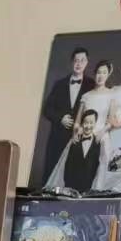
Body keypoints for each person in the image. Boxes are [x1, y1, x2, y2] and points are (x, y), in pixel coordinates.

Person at [37, 45, 90, 187]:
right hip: (57, 137)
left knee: (74, 175)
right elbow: (47, 109)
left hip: (79, 137)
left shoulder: (91, 84)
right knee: (51, 172)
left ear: (86, 63)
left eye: (82, 60)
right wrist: (60, 118)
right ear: (72, 62)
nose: (78, 64)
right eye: (76, 60)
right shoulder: (59, 84)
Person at [56, 109, 103, 193]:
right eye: (86, 123)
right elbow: (68, 166)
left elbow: (95, 167)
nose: (88, 126)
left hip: (87, 189)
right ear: (82, 123)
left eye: (91, 123)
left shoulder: (97, 143)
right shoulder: (75, 141)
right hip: (71, 187)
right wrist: (68, 186)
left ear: (95, 123)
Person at [75, 59, 116, 140]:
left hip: (101, 137)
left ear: (108, 75)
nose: (101, 76)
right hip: (84, 136)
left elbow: (111, 123)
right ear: (95, 74)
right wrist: (76, 131)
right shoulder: (86, 96)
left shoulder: (111, 95)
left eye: (104, 73)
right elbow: (77, 122)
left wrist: (100, 133)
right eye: (99, 72)